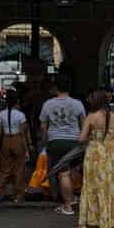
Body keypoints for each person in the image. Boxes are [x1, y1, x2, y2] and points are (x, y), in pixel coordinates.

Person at [72, 90, 114, 228]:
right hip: (111, 154)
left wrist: (92, 139)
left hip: (94, 155)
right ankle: (107, 223)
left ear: (96, 101)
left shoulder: (91, 117)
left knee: (90, 186)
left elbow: (81, 139)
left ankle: (83, 225)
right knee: (109, 187)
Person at [39, 74, 85, 216]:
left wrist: (44, 142)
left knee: (63, 174)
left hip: (56, 142)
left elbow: (43, 127)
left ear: (56, 88)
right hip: (74, 142)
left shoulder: (48, 104)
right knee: (73, 170)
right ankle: (73, 197)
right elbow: (84, 125)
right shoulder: (78, 104)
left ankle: (68, 206)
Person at [0, 89, 31, 203]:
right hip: (17, 140)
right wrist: (27, 149)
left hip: (5, 140)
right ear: (17, 101)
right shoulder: (21, 115)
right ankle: (18, 195)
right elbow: (23, 134)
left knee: (4, 169)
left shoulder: (1, 114)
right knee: (19, 169)